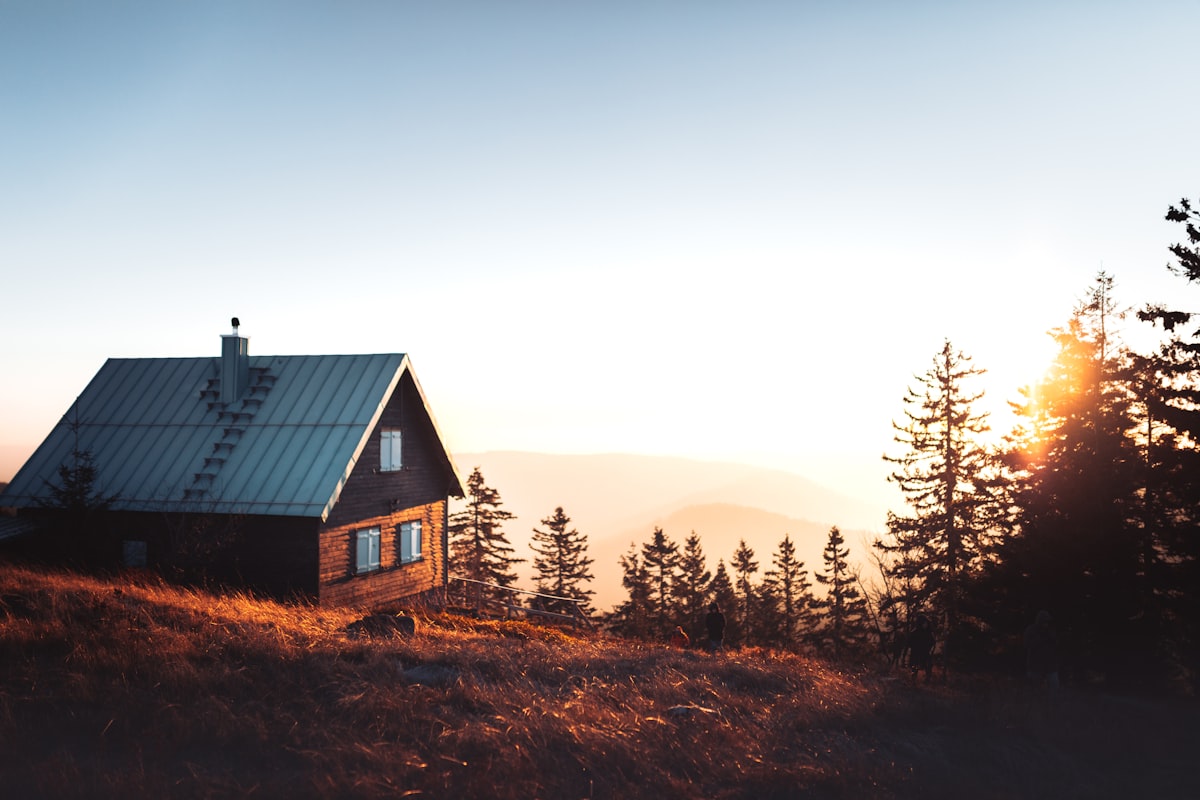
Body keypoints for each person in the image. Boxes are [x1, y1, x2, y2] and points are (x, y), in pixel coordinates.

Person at [1024, 610, 1059, 690]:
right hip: (1035, 666)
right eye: (1044, 621)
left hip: (1050, 666)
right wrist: (1040, 639)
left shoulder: (1050, 630)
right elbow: (1027, 645)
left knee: (1054, 688)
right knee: (1034, 691)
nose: (1046, 623)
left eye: (1047, 621)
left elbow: (1056, 644)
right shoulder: (1031, 630)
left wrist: (1050, 637)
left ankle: (1053, 702)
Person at [907, 615, 935, 682]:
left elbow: (932, 641)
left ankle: (927, 679)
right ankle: (913, 680)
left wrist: (928, 648)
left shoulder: (928, 632)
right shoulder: (915, 632)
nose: (925, 624)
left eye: (926, 623)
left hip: (925, 652)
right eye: (924, 623)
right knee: (915, 666)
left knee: (928, 665)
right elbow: (910, 642)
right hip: (916, 652)